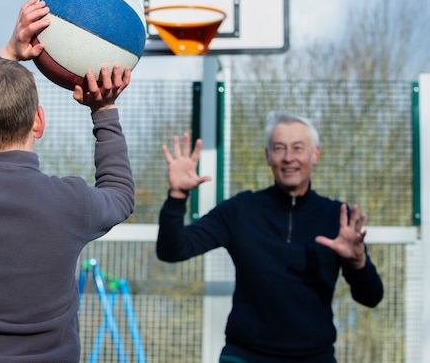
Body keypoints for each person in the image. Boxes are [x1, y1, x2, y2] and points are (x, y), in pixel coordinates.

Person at [0, 0, 135, 363]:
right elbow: (119, 195)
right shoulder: (69, 202)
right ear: (39, 121)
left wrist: (8, 51)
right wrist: (104, 110)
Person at [156, 111, 384, 363]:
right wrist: (177, 196)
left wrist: (358, 263)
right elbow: (172, 250)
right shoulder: (241, 210)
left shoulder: (337, 218)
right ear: (267, 156)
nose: (288, 158)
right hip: (244, 355)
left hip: (314, 357)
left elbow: (371, 297)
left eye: (298, 148)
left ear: (315, 154)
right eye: (279, 148)